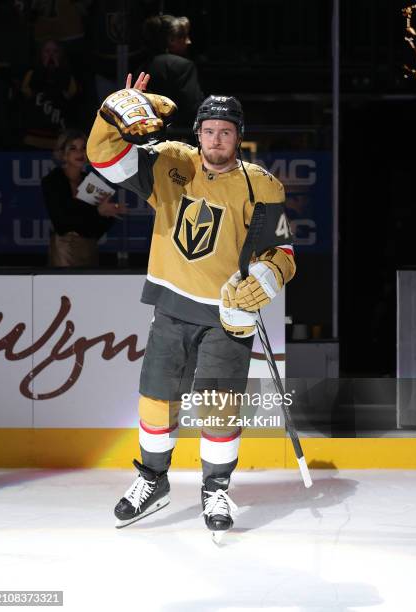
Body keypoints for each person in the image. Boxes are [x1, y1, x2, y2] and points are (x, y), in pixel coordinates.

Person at [87, 73, 295, 539]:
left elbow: (281, 253)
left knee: (220, 406)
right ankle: (151, 479)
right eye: (208, 130)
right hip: (172, 306)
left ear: (238, 136)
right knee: (156, 401)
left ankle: (216, 488)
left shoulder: (263, 186)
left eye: (226, 131)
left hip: (228, 316)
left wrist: (265, 277)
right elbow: (104, 158)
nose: (216, 139)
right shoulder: (169, 162)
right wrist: (113, 115)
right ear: (196, 133)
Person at [42, 128, 126, 267]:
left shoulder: (90, 182)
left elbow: (98, 228)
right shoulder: (52, 181)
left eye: (83, 148)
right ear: (63, 154)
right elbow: (61, 221)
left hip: (89, 248)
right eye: (73, 148)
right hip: (64, 250)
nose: (80, 152)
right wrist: (97, 212)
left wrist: (108, 213)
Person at [137, 15, 204, 127]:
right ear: (171, 40)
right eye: (183, 37)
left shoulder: (143, 64)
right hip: (178, 133)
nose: (188, 41)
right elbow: (193, 107)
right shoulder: (184, 65)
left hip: (146, 130)